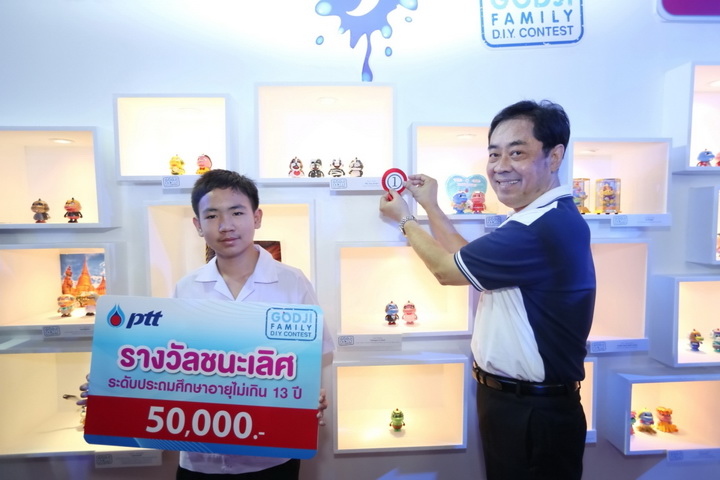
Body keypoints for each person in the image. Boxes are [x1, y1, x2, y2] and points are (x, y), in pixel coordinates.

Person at [379, 100, 596, 480]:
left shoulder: (539, 227)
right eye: (494, 154)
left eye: (517, 153)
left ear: (555, 156)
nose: (500, 166)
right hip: (518, 405)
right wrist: (430, 206)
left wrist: (405, 220)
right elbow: (464, 257)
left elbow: (448, 271)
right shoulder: (540, 218)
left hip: (532, 414)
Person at [80, 169, 334, 480]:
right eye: (212, 216)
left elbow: (312, 357)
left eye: (237, 212)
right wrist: (111, 386)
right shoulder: (187, 287)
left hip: (272, 458)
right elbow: (165, 365)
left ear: (256, 218)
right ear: (198, 225)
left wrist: (308, 393)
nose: (225, 226)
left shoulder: (292, 282)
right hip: (200, 460)